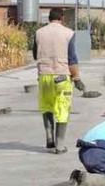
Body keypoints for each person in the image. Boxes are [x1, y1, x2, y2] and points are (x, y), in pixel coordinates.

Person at [33, 8, 85, 154]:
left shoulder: (39, 33)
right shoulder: (68, 33)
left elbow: (35, 53)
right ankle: (60, 146)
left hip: (44, 76)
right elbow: (72, 59)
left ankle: (49, 138)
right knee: (62, 110)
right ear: (61, 18)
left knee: (47, 106)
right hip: (62, 77)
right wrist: (77, 78)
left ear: (49, 18)